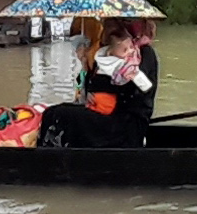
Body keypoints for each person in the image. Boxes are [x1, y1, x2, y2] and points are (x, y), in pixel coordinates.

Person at [38, 20, 160, 148]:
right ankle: (47, 151)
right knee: (52, 113)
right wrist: (85, 64)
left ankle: (55, 155)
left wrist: (108, 80)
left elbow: (137, 90)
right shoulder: (104, 53)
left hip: (126, 122)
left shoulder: (144, 54)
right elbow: (88, 86)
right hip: (103, 113)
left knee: (63, 115)